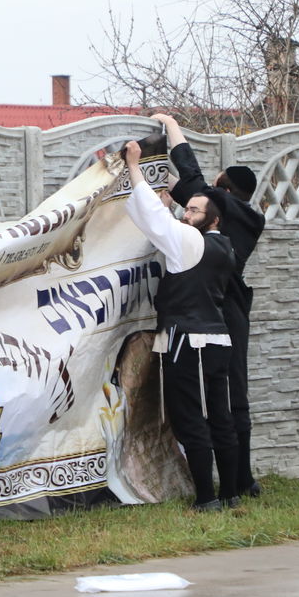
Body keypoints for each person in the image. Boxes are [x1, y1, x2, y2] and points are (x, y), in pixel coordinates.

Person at [123, 138, 239, 511]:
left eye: (193, 210)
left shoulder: (189, 241)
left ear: (213, 219)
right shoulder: (225, 246)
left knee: (190, 417)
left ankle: (206, 497)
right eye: (186, 209)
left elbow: (157, 223)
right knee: (220, 415)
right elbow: (167, 227)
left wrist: (135, 167)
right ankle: (231, 493)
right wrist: (170, 209)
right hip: (218, 339)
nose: (186, 215)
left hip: (190, 340)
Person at [155, 114, 267, 498]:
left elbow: (191, 178)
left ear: (223, 190)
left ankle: (237, 482)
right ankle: (241, 482)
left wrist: (170, 125)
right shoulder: (245, 217)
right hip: (230, 311)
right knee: (232, 395)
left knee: (225, 400)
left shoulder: (228, 209)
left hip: (220, 312)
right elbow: (187, 190)